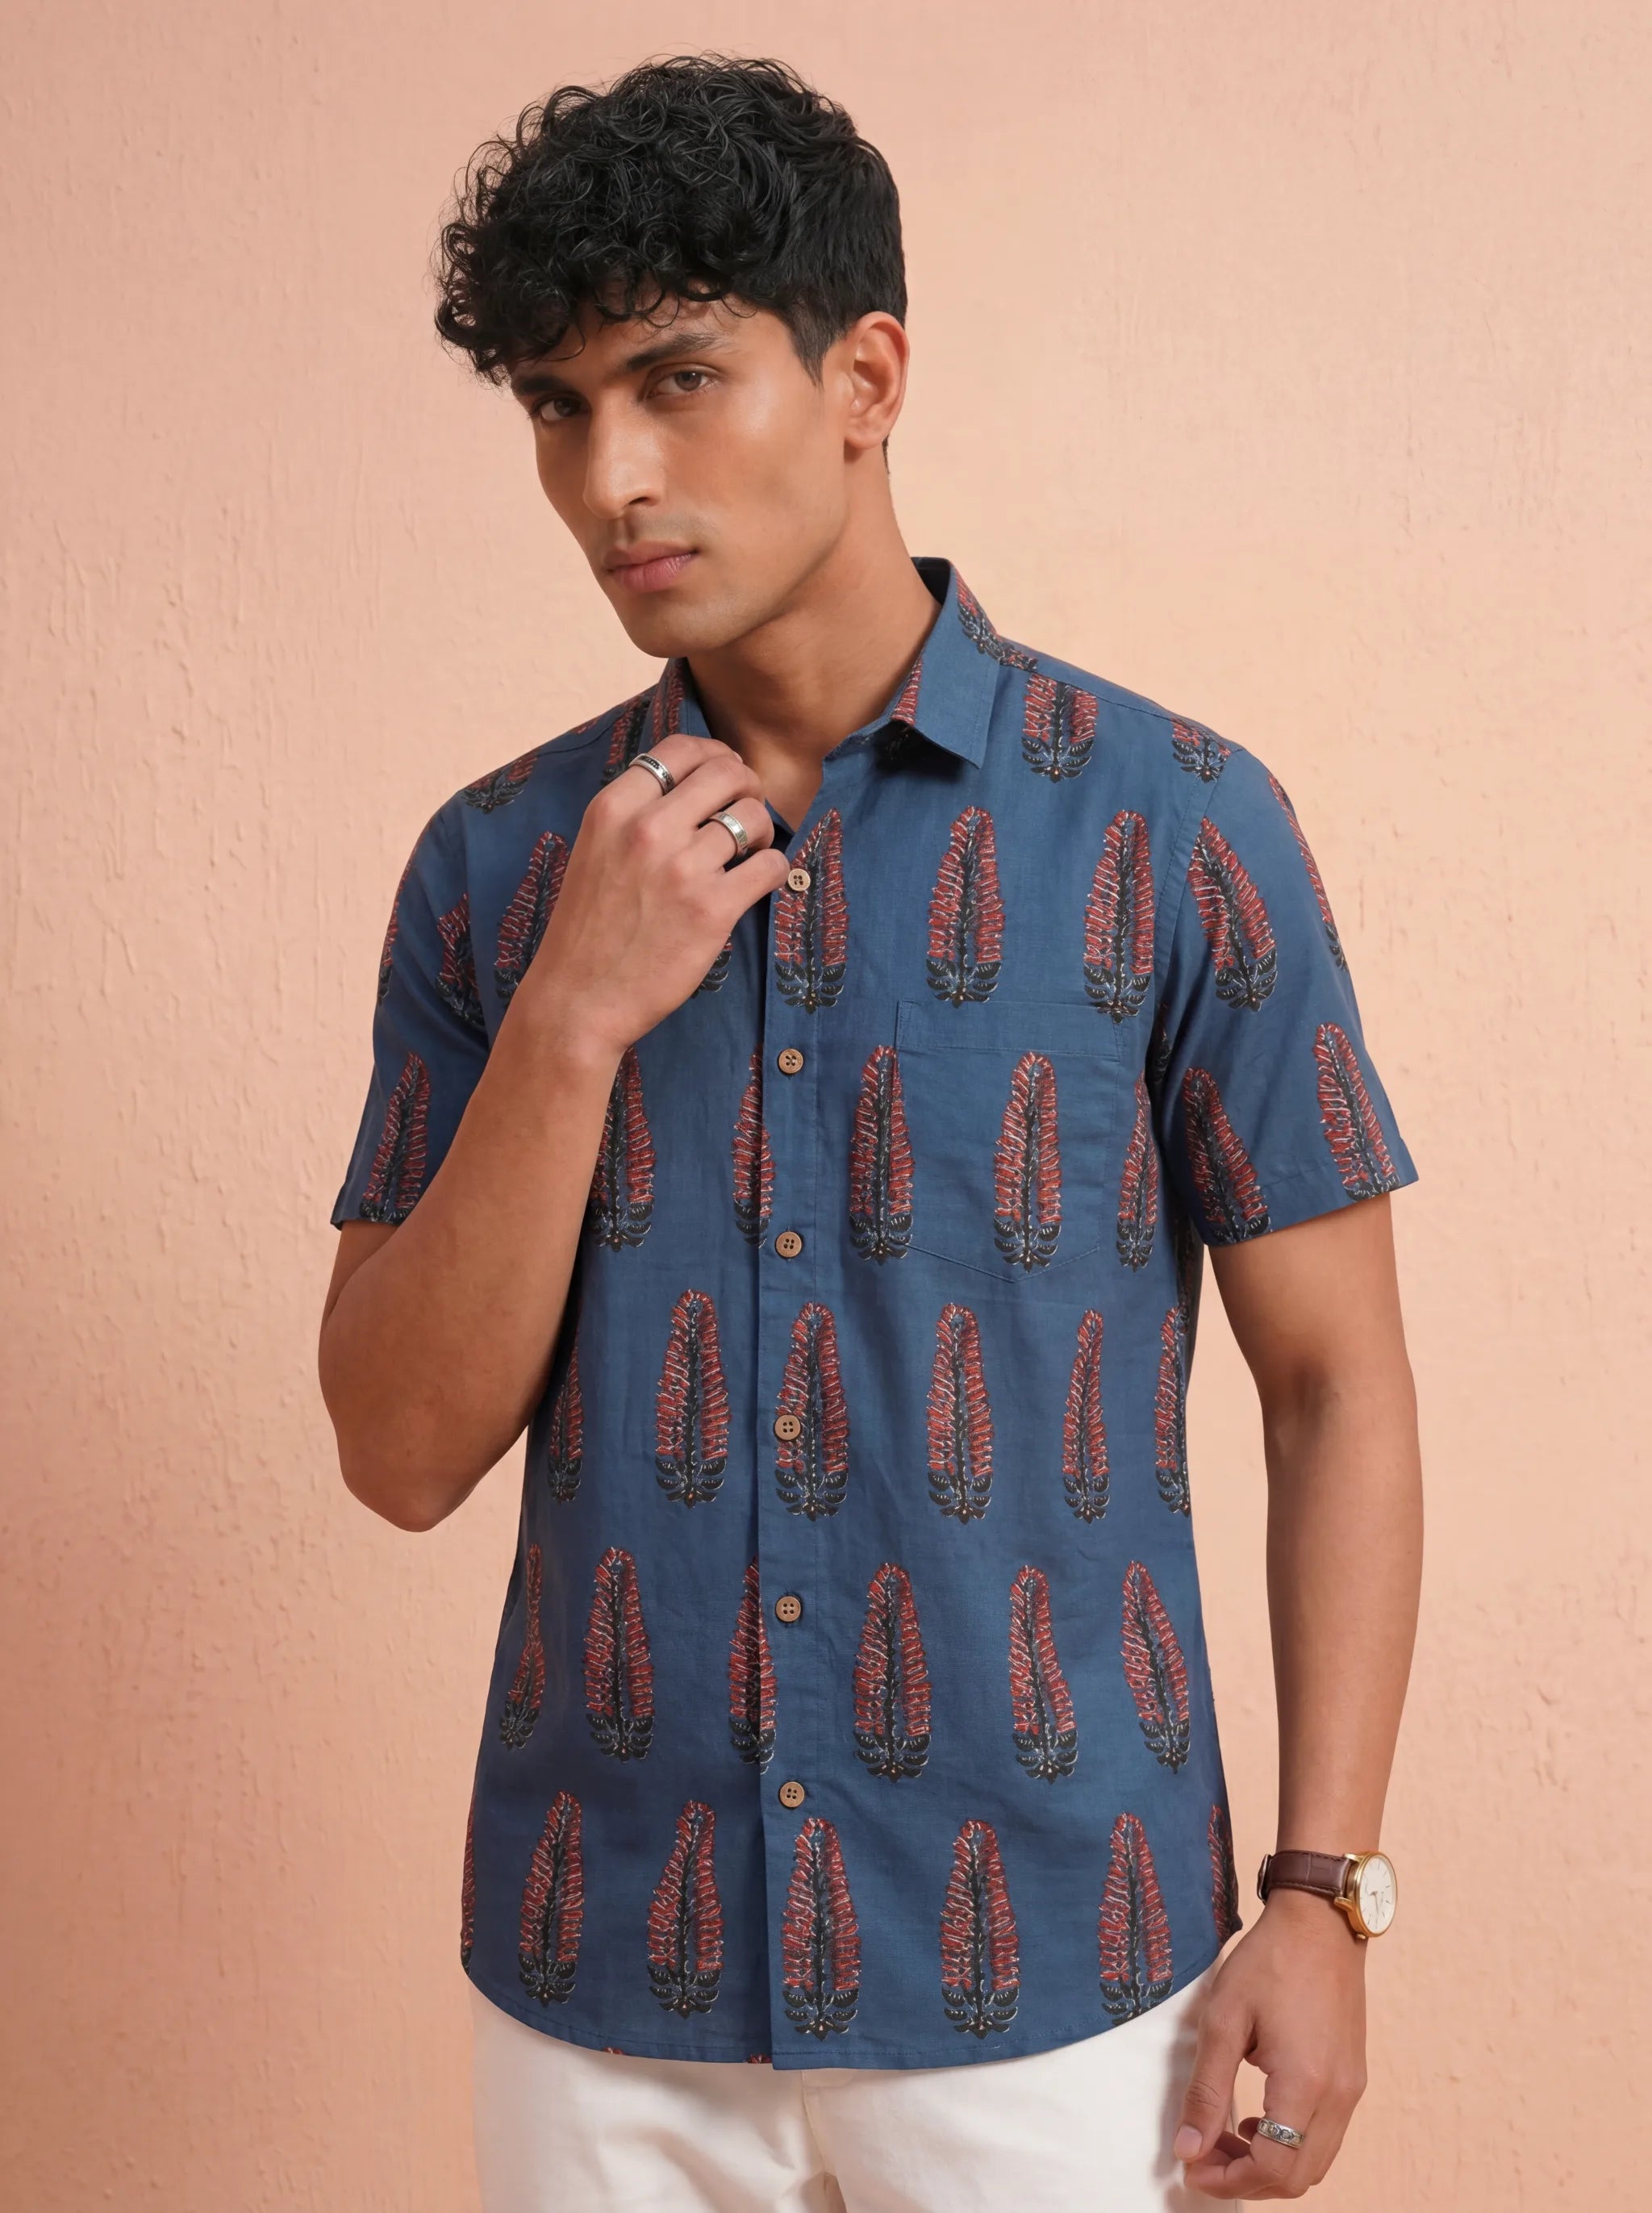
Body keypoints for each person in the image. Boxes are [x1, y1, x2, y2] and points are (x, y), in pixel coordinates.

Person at [318, 52, 1423, 2212]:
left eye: (677, 380)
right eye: (557, 406)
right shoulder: (496, 865)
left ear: (866, 377)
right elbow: (397, 1449)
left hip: (1063, 1984)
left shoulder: (1178, 827)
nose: (613, 477)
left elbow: (1337, 1385)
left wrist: (1324, 1892)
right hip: (601, 1986)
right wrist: (571, 1016)